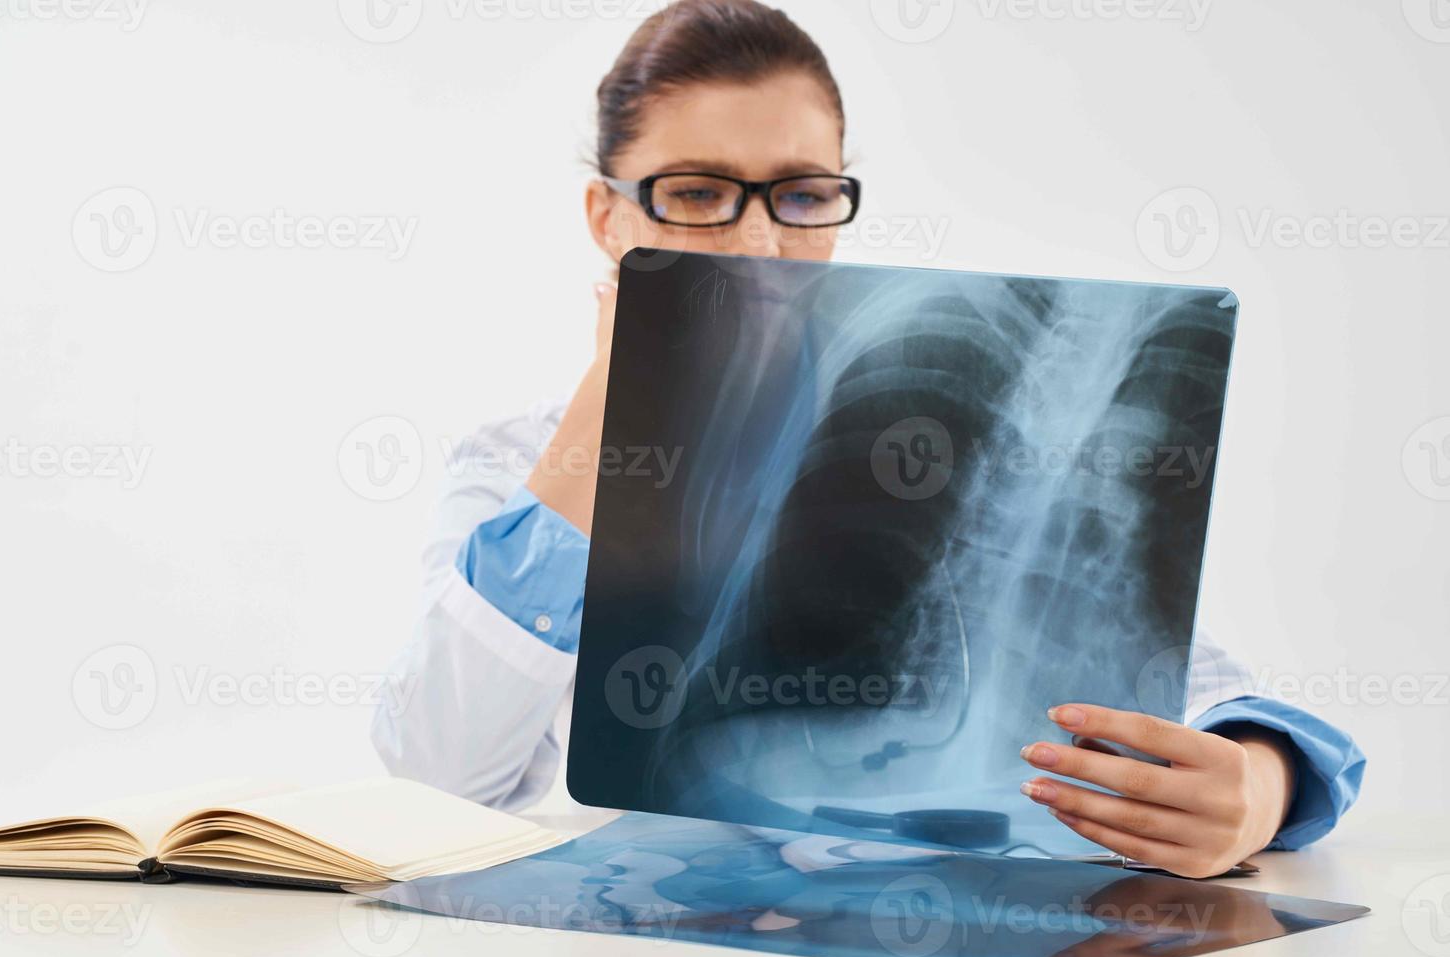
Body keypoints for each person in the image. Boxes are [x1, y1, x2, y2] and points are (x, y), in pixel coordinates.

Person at [371, 0, 1364, 879]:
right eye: (697, 193)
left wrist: (1261, 784)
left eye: (801, 195)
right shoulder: (519, 461)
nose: (759, 245)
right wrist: (606, 411)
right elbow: (437, 774)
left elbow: (1202, 693)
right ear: (608, 215)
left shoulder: (953, 432)